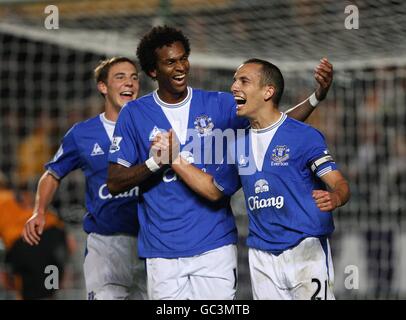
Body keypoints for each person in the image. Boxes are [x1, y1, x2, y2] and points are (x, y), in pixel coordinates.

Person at [107, 26, 333, 300]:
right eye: (170, 62)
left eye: (183, 58)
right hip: (161, 250)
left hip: (215, 246)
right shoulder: (134, 113)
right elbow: (115, 182)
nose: (181, 67)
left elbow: (276, 124)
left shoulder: (220, 104)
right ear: (153, 71)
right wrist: (156, 163)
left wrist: (316, 97)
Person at [169, 58, 350, 299]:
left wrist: (336, 197)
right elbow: (214, 189)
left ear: (268, 91)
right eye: (234, 80)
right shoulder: (237, 144)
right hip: (261, 255)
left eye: (244, 81)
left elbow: (339, 183)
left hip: (305, 249)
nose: (234, 87)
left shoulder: (304, 135)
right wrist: (174, 159)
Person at [22, 57, 146, 300]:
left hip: (150, 240)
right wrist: (39, 211)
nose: (129, 83)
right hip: (106, 244)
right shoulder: (82, 134)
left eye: (134, 77)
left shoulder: (154, 126)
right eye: (120, 77)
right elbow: (52, 173)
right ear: (103, 87)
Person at [0, 172, 70, 300]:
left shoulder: (3, 200)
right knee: (50, 288)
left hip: (26, 241)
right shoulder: (20, 196)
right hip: (54, 235)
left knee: (26, 291)